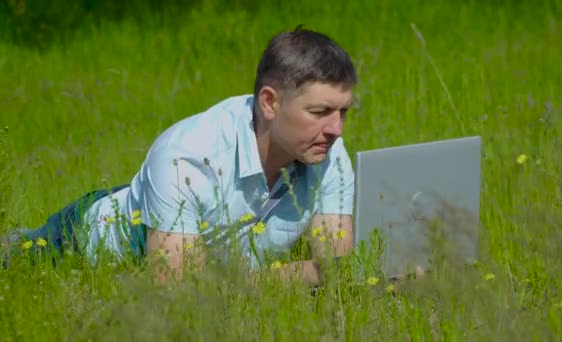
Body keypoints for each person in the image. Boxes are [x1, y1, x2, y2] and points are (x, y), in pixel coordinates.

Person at [1, 27, 358, 286]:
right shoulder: (186, 157)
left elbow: (337, 265)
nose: (336, 129)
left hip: (178, 222)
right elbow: (180, 288)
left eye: (343, 112)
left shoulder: (326, 150)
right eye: (320, 111)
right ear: (270, 102)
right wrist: (307, 275)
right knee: (15, 261)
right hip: (84, 241)